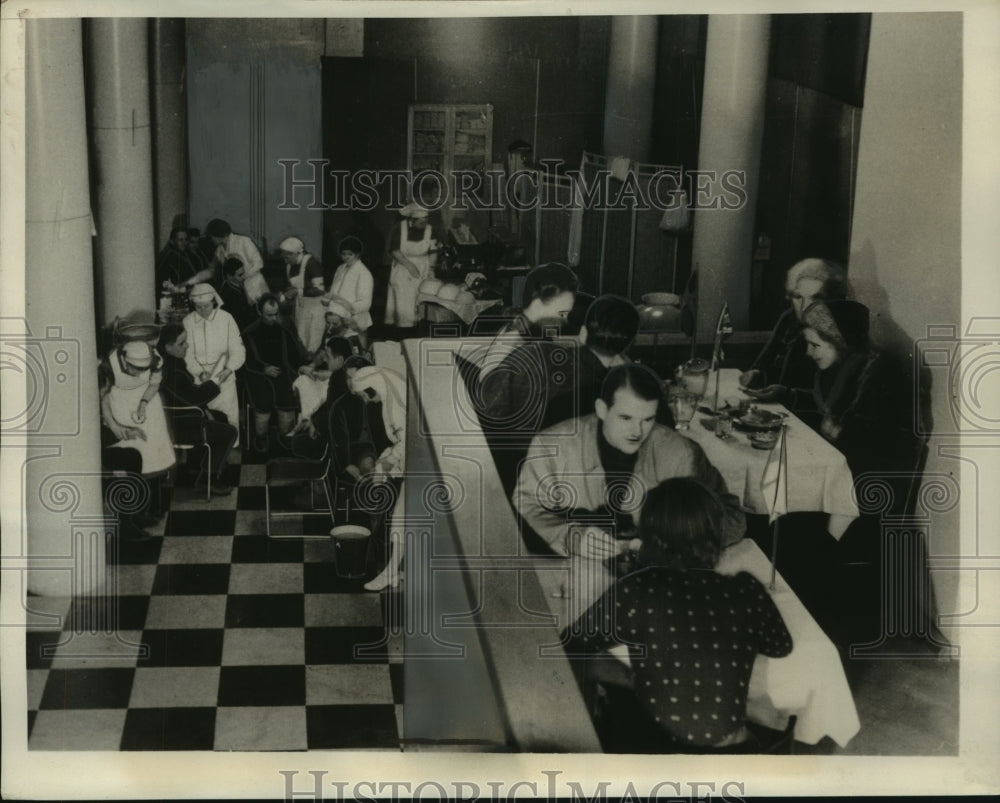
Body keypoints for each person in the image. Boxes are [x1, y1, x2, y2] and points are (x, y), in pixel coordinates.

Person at [567, 477, 793, 753]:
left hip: (656, 752)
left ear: (648, 537)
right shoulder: (745, 589)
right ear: (716, 536)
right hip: (732, 753)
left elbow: (572, 644)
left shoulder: (637, 590)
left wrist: (630, 673)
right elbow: (781, 646)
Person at [514, 364, 746, 619]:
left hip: (656, 591)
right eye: (626, 418)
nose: (637, 432)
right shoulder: (552, 446)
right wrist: (571, 536)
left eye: (647, 420)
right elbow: (522, 511)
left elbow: (733, 517)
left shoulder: (681, 453)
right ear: (602, 409)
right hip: (572, 586)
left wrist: (672, 537)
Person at [739, 258, 848, 413]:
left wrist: (789, 395)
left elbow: (834, 400)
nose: (804, 307)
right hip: (776, 411)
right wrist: (756, 375)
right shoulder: (789, 319)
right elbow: (764, 363)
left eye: (815, 298)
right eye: (797, 297)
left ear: (831, 299)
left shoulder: (840, 330)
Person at [156, 323, 238, 495]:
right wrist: (215, 382)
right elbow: (194, 397)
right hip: (180, 425)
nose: (186, 346)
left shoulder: (170, 363)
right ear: (168, 347)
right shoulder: (172, 372)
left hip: (177, 416)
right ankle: (207, 479)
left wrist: (204, 409)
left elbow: (186, 397)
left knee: (220, 417)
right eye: (181, 343)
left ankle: (195, 466)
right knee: (230, 432)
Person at [348, 366, 408, 592]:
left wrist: (384, 464)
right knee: (402, 519)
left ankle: (391, 573)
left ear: (372, 387)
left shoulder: (394, 405)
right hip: (414, 463)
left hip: (422, 466)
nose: (364, 400)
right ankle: (393, 571)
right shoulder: (393, 393)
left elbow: (405, 444)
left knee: (402, 519)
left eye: (363, 394)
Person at [476, 262, 579, 378]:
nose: (565, 320)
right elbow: (490, 381)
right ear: (539, 302)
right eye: (562, 314)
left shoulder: (528, 326)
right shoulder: (516, 338)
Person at [242, 293, 308, 451]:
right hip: (258, 374)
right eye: (269, 315)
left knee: (287, 401)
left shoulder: (284, 331)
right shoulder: (249, 333)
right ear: (259, 312)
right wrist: (264, 368)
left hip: (282, 373)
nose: (273, 318)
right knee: (262, 402)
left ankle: (286, 437)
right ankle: (261, 437)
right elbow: (246, 359)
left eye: (276, 314)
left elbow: (294, 356)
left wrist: (302, 367)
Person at [101, 340, 176, 476]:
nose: (141, 373)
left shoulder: (156, 360)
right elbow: (104, 398)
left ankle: (152, 481)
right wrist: (113, 425)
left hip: (148, 401)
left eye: (144, 369)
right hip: (119, 403)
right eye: (136, 368)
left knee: (154, 453)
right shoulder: (110, 364)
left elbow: (154, 384)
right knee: (128, 451)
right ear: (125, 360)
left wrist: (143, 403)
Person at [182, 283, 245, 427]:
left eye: (206, 306)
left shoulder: (226, 319)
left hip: (224, 377)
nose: (203, 310)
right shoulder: (188, 321)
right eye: (199, 307)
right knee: (205, 420)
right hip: (199, 379)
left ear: (214, 302)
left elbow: (238, 349)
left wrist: (229, 368)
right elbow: (187, 354)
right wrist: (199, 372)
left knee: (228, 420)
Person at [385, 202, 439, 328]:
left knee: (422, 298)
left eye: (426, 220)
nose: (424, 223)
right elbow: (394, 251)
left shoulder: (430, 229)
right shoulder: (400, 228)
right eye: (421, 221)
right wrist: (410, 266)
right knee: (404, 301)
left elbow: (433, 251)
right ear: (412, 220)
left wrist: (431, 268)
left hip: (423, 266)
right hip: (403, 265)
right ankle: (403, 328)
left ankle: (419, 327)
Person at [277, 235, 328, 355]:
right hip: (300, 307)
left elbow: (320, 290)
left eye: (287, 257)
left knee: (313, 341)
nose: (285, 260)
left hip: (316, 308)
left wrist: (297, 291)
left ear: (296, 253)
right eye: (283, 257)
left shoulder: (311, 263)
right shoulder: (289, 266)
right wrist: (286, 291)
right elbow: (287, 284)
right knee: (301, 340)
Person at [325, 235, 374, 349]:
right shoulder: (340, 269)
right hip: (337, 316)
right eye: (343, 254)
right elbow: (335, 289)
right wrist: (329, 300)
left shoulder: (363, 273)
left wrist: (348, 306)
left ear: (357, 254)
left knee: (354, 348)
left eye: (350, 254)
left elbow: (365, 303)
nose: (346, 257)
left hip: (354, 319)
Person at [206, 218, 268, 303]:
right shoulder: (219, 250)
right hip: (239, 289)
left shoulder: (244, 241)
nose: (211, 239)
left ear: (217, 236)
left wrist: (242, 277)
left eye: (211, 237)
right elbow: (212, 269)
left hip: (255, 285)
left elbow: (259, 263)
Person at [155, 226, 212, 293]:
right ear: (172, 241)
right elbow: (160, 280)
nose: (184, 243)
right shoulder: (167, 256)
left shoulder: (187, 253)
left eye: (186, 239)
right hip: (178, 293)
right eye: (180, 240)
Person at [218, 257, 257, 332]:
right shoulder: (229, 293)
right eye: (240, 275)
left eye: (244, 273)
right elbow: (243, 315)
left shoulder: (236, 283)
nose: (244, 277)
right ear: (229, 276)